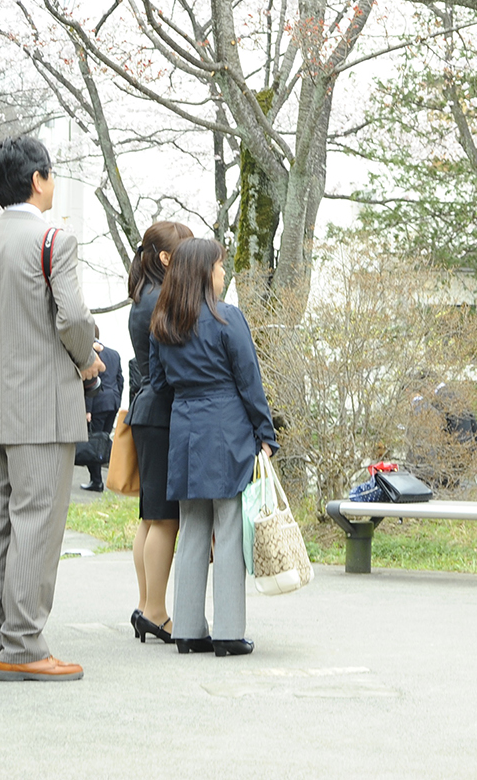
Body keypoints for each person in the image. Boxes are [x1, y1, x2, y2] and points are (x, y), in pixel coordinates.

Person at [0, 135, 103, 682]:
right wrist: (87, 359)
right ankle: (23, 644)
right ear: (38, 180)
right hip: (43, 406)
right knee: (37, 523)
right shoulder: (55, 239)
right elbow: (73, 318)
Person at [149, 237, 277, 657]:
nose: (223, 274)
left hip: (185, 429)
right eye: (221, 267)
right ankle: (227, 633)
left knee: (192, 531)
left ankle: (187, 630)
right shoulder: (227, 319)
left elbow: (159, 385)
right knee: (228, 527)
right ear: (206, 273)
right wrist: (265, 433)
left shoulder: (163, 322)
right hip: (226, 428)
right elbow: (249, 381)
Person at [123, 220, 194, 644]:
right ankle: (155, 611)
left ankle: (147, 604)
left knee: (151, 520)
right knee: (164, 520)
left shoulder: (143, 296)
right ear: (167, 258)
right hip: (162, 413)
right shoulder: (159, 301)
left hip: (146, 412)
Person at [81, 325, 123, 493]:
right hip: (112, 402)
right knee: (104, 440)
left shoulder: (92, 355)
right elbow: (120, 379)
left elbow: (91, 382)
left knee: (94, 442)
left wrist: (87, 410)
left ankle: (96, 481)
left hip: (98, 403)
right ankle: (103, 479)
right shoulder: (114, 354)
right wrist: (117, 401)